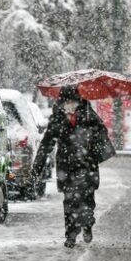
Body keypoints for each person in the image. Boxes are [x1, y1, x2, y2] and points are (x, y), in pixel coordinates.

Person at [32, 86, 116, 248]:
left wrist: (93, 148)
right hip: (67, 166)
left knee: (86, 199)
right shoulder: (57, 119)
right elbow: (46, 144)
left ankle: (87, 225)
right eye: (66, 101)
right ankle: (70, 234)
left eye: (72, 101)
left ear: (78, 101)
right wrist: (38, 166)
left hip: (87, 165)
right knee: (69, 201)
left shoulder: (89, 115)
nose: (69, 104)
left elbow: (102, 135)